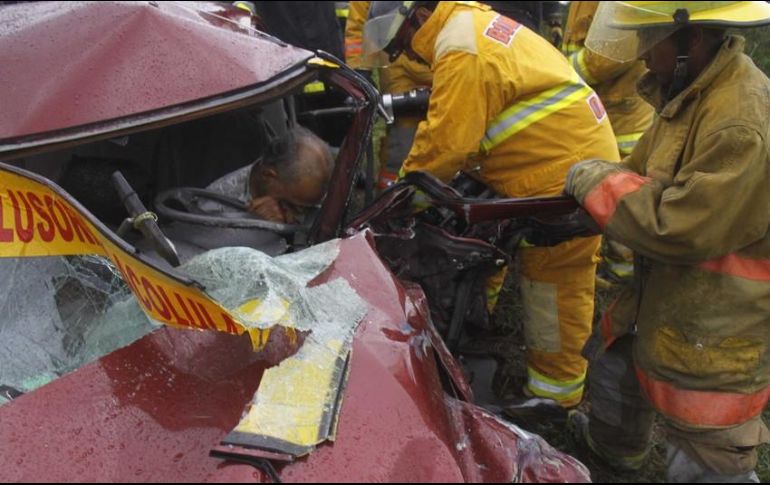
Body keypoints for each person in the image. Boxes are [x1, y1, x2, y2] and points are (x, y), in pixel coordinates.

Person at [363, 1, 619, 408]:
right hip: (542, 162)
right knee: (487, 240)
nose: (407, 56)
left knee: (551, 286)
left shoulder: (461, 48)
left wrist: (401, 202)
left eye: (402, 45)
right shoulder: (463, 28)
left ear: (416, 19)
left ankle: (554, 397)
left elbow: (444, 149)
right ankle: (480, 322)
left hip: (564, 176)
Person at [563, 1, 770, 481]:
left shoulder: (739, 122)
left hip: (717, 325)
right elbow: (640, 173)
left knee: (706, 451)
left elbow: (678, 226)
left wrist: (592, 181)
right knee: (617, 372)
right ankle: (617, 458)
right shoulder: (693, 92)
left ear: (691, 40)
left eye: (649, 40)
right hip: (663, 298)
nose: (640, 57)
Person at [562, 1, 657, 281]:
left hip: (622, 120)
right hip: (596, 111)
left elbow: (606, 57)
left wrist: (557, 71)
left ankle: (626, 282)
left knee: (621, 198)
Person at [248, 126, 335, 224]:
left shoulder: (323, 194)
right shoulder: (228, 208)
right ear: (268, 175)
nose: (292, 218)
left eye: (307, 209)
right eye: (293, 206)